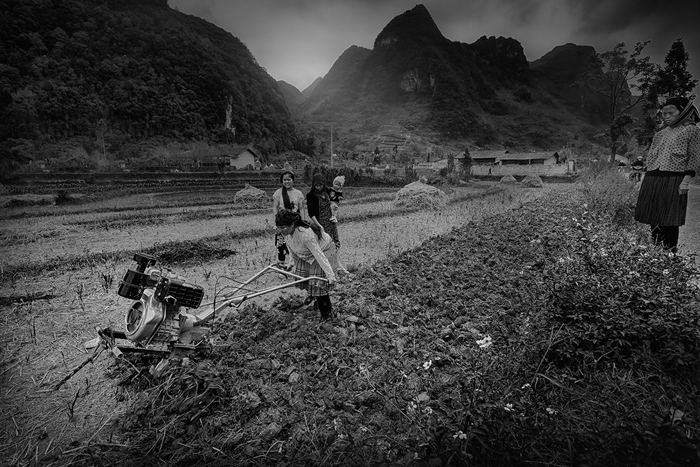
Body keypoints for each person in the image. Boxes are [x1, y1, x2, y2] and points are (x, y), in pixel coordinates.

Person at [634, 97, 700, 253]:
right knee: (653, 216)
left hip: (674, 178)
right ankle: (656, 253)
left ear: (683, 112)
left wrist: (686, 181)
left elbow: (694, 156)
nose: (667, 116)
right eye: (664, 113)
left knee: (669, 218)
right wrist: (646, 177)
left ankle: (670, 254)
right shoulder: (660, 134)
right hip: (653, 177)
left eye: (671, 113)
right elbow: (652, 156)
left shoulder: (692, 130)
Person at [275, 210, 337, 320]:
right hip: (307, 253)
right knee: (305, 278)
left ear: (292, 224)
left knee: (318, 285)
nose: (280, 230)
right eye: (278, 227)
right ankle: (313, 296)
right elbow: (292, 249)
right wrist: (291, 263)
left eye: (283, 227)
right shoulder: (286, 233)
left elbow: (319, 254)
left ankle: (327, 315)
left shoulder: (305, 235)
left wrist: (330, 275)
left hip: (324, 250)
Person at [307, 173, 349, 274]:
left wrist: (335, 210)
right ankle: (327, 268)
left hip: (330, 222)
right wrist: (319, 225)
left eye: (321, 185)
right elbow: (311, 213)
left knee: (335, 243)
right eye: (316, 185)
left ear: (324, 184)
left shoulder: (328, 191)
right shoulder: (311, 195)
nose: (319, 187)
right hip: (321, 222)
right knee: (325, 245)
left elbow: (336, 198)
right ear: (313, 185)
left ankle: (338, 265)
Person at [272, 171, 305, 263]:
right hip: (282, 223)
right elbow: (275, 208)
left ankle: (295, 265)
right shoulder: (278, 193)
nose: (286, 182)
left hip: (294, 223)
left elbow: (301, 209)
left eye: (288, 179)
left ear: (293, 180)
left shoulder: (298, 193)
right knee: (281, 246)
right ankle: (282, 267)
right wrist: (276, 223)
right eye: (284, 180)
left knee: (297, 245)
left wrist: (303, 222)